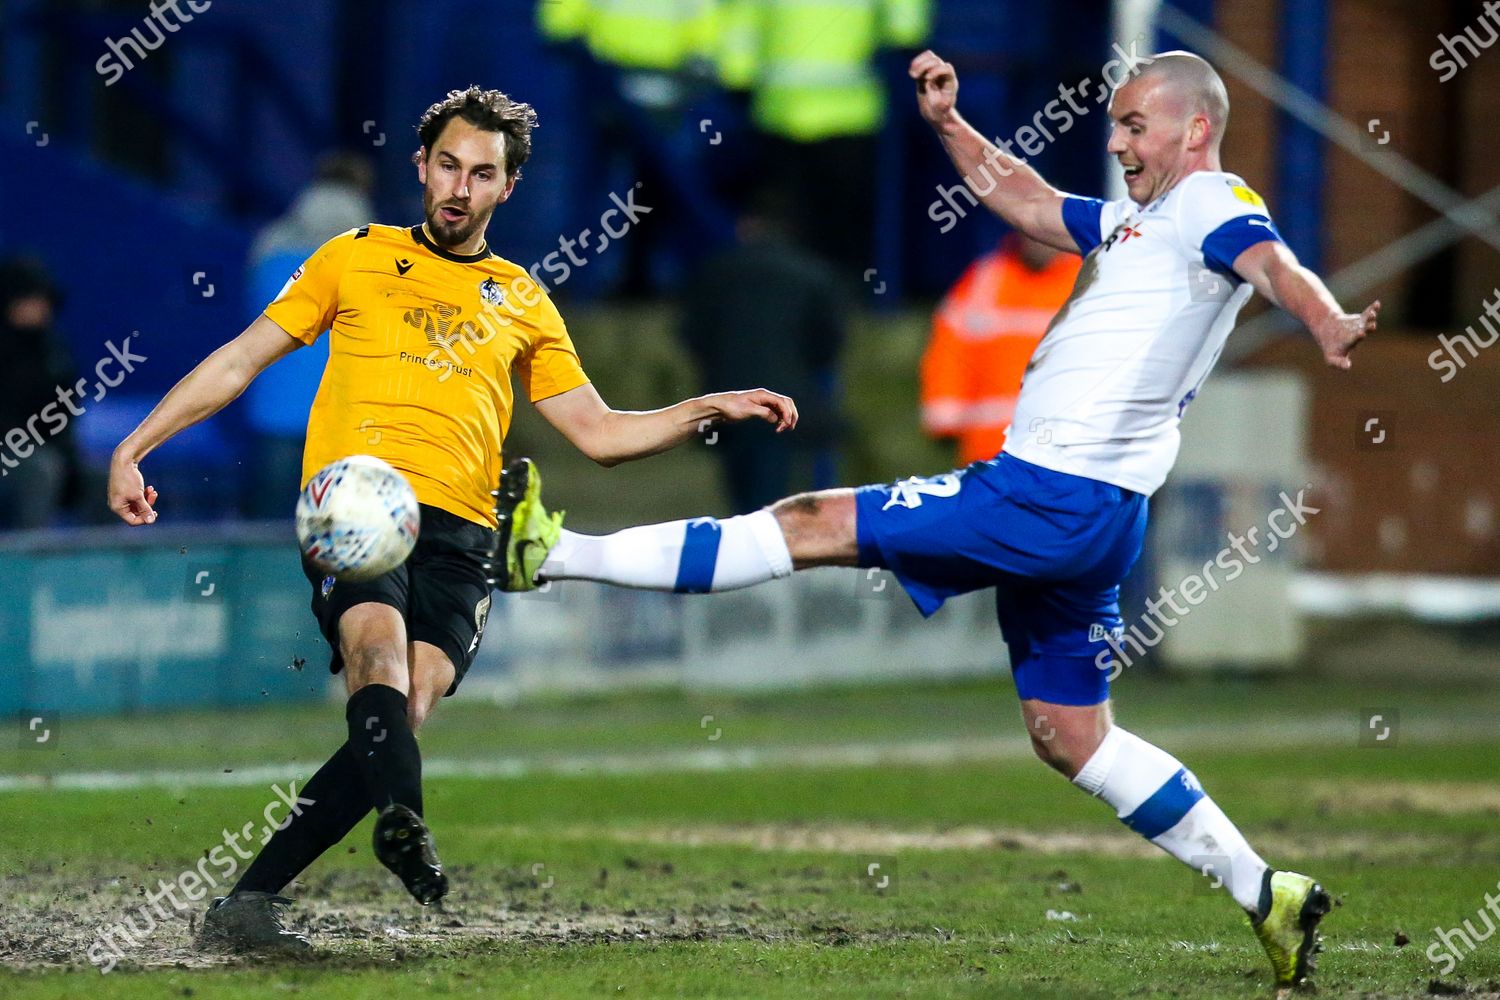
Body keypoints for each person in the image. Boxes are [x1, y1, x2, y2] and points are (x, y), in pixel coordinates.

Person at [494, 50, 1379, 993]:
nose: (1117, 143)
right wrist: (951, 125)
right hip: (1097, 509)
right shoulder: (1139, 222)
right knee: (1071, 736)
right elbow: (1033, 203)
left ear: (1194, 129)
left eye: (1134, 125)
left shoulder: (1209, 204)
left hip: (1047, 492)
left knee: (815, 520)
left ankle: (553, 554)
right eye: (1115, 124)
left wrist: (1323, 321)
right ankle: (1267, 890)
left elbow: (1271, 260)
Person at [106, 86, 795, 953]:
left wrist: (709, 407)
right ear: (419, 169)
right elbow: (243, 358)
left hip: (466, 531)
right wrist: (135, 445)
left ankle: (246, 904)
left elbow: (601, 435)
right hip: (357, 500)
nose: (460, 188)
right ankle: (404, 821)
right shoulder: (353, 256)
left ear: (507, 189)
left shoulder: (522, 300)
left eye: (482, 173)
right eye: (447, 166)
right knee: (377, 658)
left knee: (407, 704)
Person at [680, 190, 847, 512]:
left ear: (746, 225)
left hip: (727, 399)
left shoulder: (717, 271)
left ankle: (745, 552)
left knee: (741, 495)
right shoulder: (814, 275)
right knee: (773, 498)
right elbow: (828, 343)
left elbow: (693, 334)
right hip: (786, 402)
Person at [920, 233, 1080, 466]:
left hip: (1063, 452)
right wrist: (944, 416)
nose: (1039, 239)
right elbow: (949, 349)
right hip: (988, 450)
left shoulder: (1085, 283)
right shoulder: (987, 280)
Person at [0, 257, 86, 530]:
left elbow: (66, 411)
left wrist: (67, 456)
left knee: (104, 480)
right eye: (30, 299)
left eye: (42, 299)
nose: (39, 307)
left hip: (43, 451)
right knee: (41, 470)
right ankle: (30, 564)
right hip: (11, 454)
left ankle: (114, 569)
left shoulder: (53, 352)